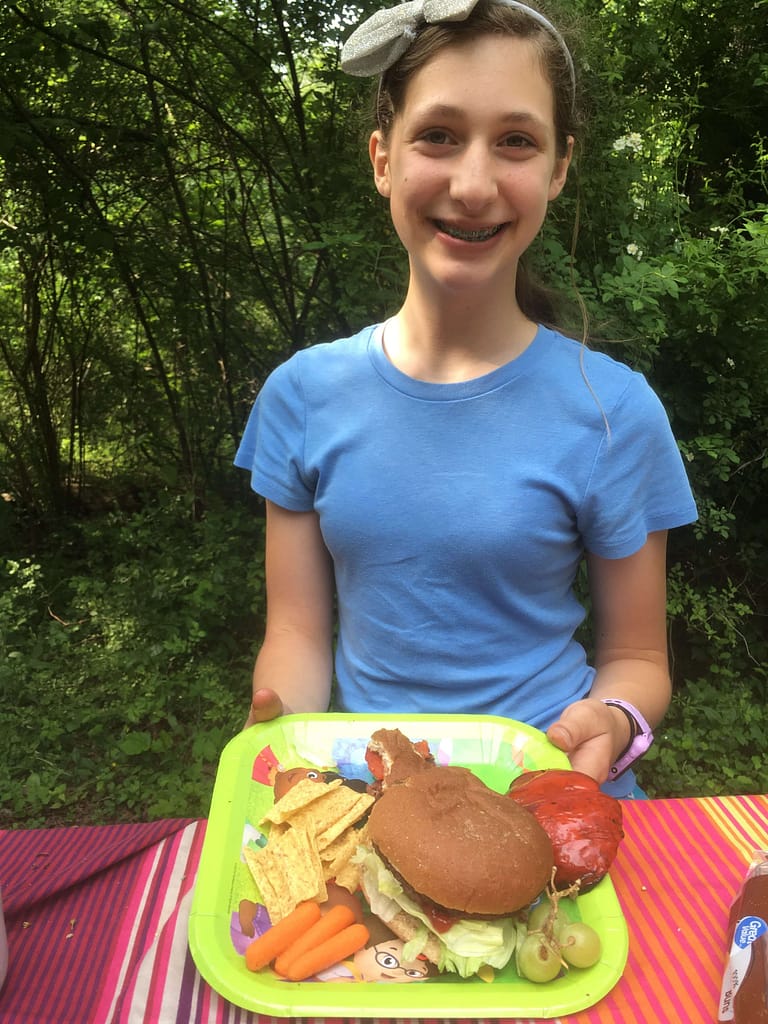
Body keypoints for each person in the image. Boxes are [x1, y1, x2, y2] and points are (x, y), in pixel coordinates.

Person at [234, 0, 698, 797]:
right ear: (382, 158)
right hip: (372, 801)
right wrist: (283, 737)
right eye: (438, 135)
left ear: (558, 168)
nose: (474, 183)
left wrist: (614, 718)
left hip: (551, 799)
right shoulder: (303, 395)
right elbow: (299, 636)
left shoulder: (613, 409)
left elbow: (639, 660)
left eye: (516, 141)